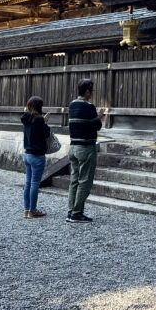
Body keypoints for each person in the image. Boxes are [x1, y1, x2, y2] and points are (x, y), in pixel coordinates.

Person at [66, 79, 101, 223]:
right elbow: (97, 125)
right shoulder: (89, 107)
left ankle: (71, 210)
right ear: (87, 91)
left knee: (74, 180)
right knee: (85, 181)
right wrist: (100, 115)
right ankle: (77, 212)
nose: (92, 94)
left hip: (73, 147)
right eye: (91, 91)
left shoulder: (72, 105)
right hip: (85, 148)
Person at [21, 96, 50, 219]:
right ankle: (33, 210)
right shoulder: (38, 119)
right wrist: (45, 122)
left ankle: (27, 210)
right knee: (34, 184)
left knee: (28, 183)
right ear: (39, 107)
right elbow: (46, 133)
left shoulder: (26, 118)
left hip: (27, 154)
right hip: (37, 156)